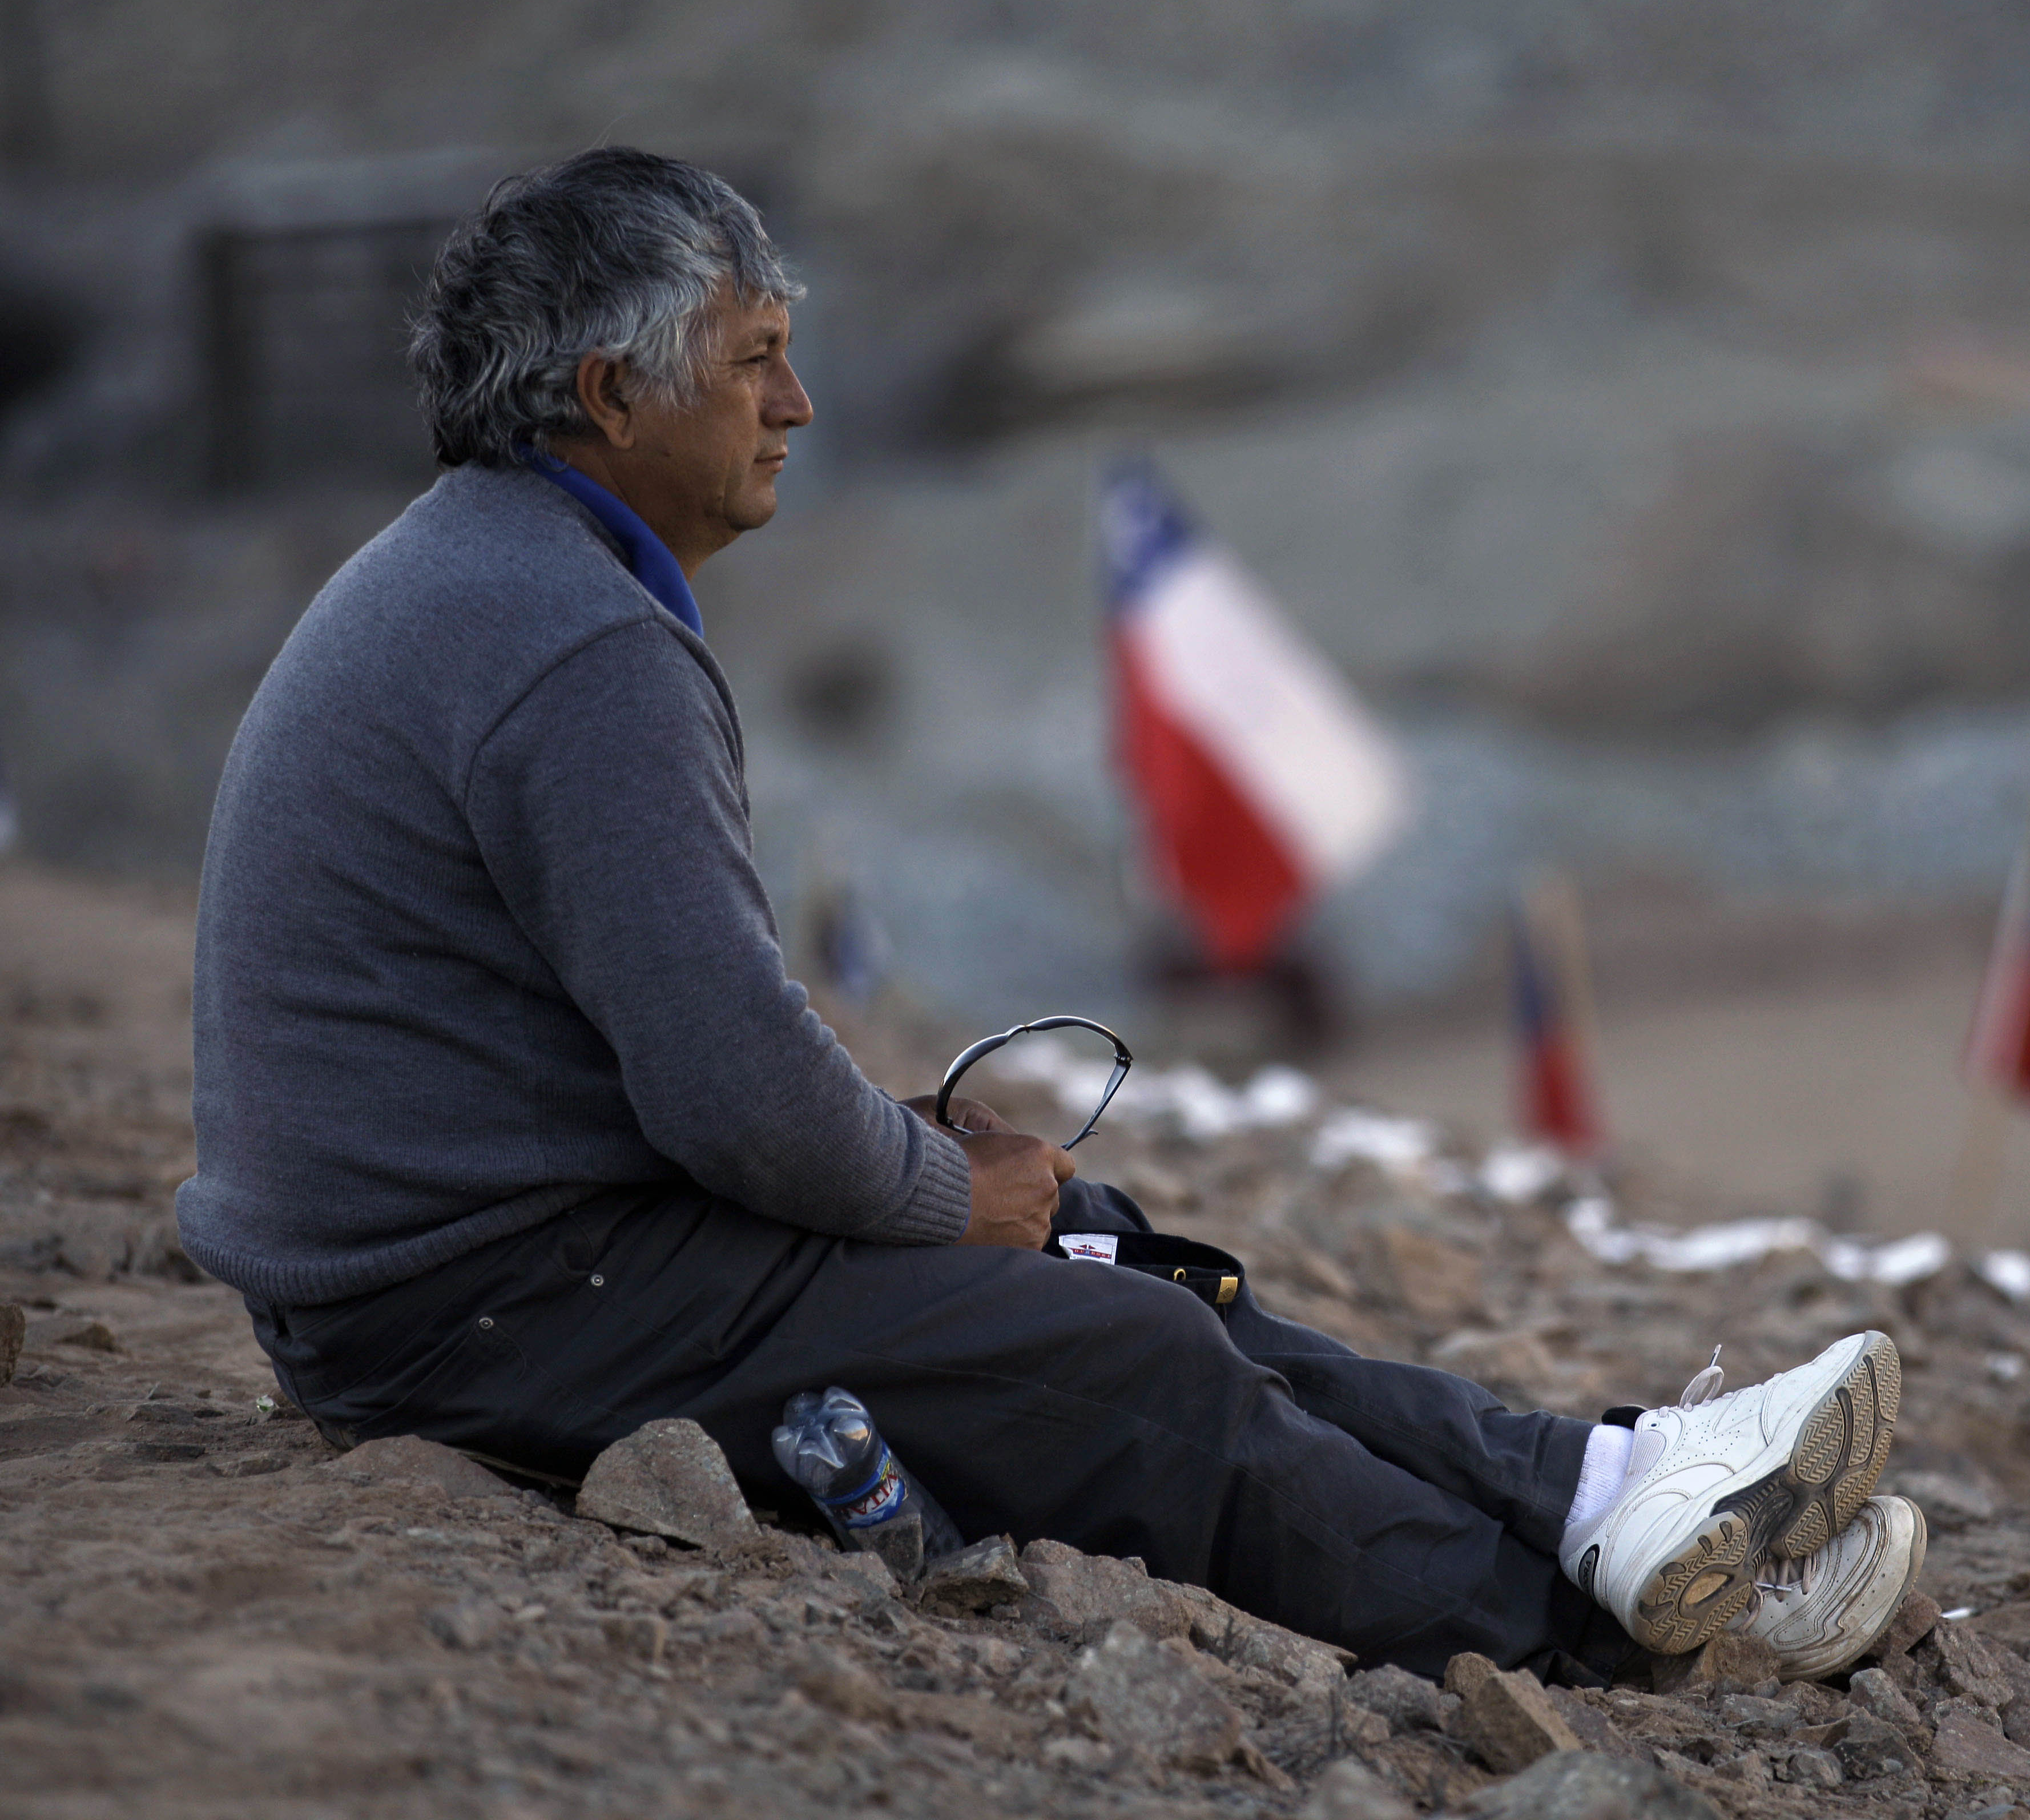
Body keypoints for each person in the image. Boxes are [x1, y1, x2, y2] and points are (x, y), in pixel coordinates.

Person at [174, 147, 1924, 1685]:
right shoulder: (576, 646)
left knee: (1091, 1232)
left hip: (485, 1265)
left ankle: (1608, 1493)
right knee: (1131, 1355)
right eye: (759, 360)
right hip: (476, 1312)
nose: (795, 407)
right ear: (608, 393)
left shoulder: (492, 576)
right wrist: (932, 1185)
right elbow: (721, 1090)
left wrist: (941, 1177)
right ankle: (1629, 1635)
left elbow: (684, 1054)